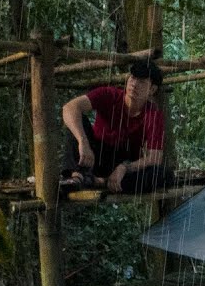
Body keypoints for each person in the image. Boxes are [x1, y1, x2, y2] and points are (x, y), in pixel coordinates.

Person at [60, 60, 171, 193]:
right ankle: (77, 177)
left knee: (163, 174)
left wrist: (124, 167)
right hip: (94, 156)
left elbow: (155, 158)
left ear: (152, 89)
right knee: (77, 120)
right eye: (133, 78)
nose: (134, 84)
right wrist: (82, 141)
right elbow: (69, 107)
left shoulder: (153, 115)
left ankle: (100, 181)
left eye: (141, 82)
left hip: (121, 163)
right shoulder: (109, 95)